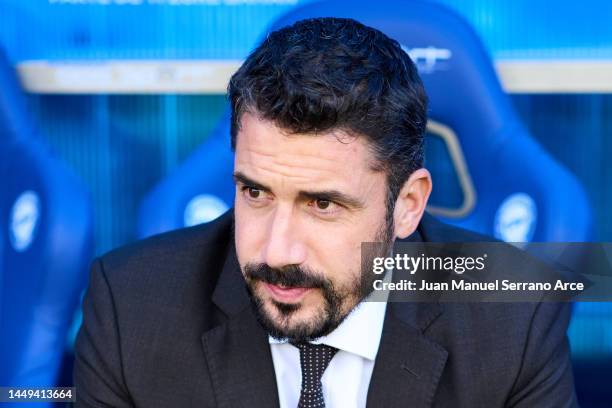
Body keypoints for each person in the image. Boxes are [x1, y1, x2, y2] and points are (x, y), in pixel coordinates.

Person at [74, 17, 577, 408]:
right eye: (256, 193)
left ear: (407, 206)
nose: (277, 250)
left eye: (322, 204)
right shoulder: (130, 308)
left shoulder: (515, 315)